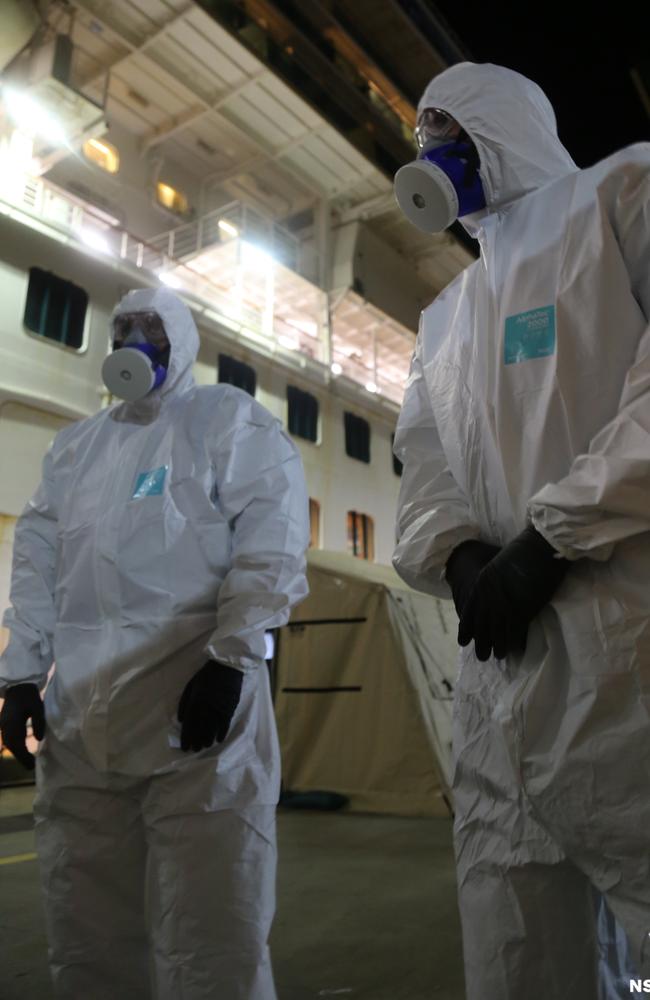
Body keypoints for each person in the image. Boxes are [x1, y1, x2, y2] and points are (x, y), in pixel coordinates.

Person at [392, 62, 650, 1000]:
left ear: (503, 127)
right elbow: (424, 465)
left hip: (629, 661)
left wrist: (548, 542)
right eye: (421, 137)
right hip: (500, 676)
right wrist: (462, 560)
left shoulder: (621, 195)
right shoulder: (445, 315)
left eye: (446, 128)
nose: (429, 150)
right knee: (514, 943)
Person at [0, 287, 310, 1000]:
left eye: (153, 330)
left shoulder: (226, 422)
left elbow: (271, 544)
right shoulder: (78, 448)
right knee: (86, 928)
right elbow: (38, 558)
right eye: (124, 330)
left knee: (212, 928)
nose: (136, 342)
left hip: (194, 721)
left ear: (182, 341)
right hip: (84, 727)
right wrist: (20, 676)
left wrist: (232, 659)